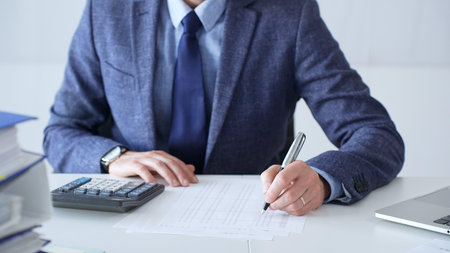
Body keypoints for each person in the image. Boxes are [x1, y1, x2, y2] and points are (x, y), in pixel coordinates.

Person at [44, 0, 404, 216]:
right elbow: (61, 130)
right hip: (130, 223)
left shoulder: (289, 14)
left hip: (249, 225)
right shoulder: (107, 11)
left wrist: (323, 180)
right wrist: (112, 157)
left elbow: (375, 134)